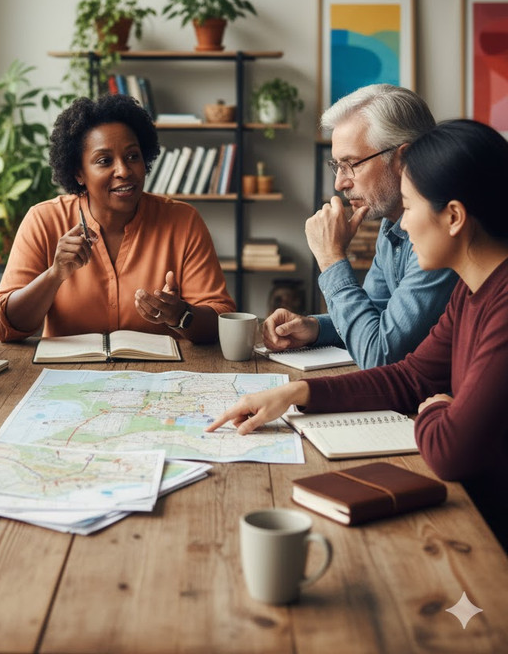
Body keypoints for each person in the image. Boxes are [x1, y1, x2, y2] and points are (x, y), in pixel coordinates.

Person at [208, 119, 508, 550]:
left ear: (455, 217)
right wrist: (296, 394)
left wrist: (433, 411)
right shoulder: (470, 289)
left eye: (409, 208)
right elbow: (409, 378)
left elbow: (449, 449)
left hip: (491, 538)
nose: (401, 227)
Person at [0, 93, 235, 343]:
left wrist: (181, 315)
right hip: (67, 377)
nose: (124, 171)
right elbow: (5, 325)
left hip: (160, 378)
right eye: (105, 161)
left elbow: (222, 320)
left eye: (132, 156)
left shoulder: (183, 221)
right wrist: (54, 275)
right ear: (78, 173)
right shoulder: (43, 220)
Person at [262, 84, 458, 368]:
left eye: (351, 164)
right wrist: (315, 329)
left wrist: (331, 259)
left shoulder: (441, 232)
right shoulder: (392, 222)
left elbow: (380, 354)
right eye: (337, 166)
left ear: (403, 159)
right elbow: (379, 313)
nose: (339, 183)